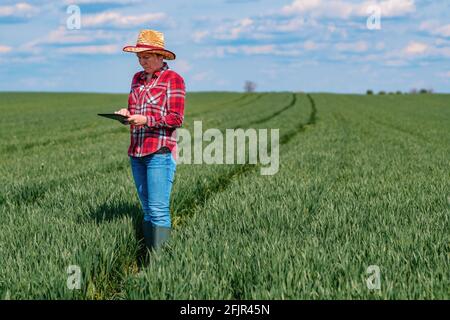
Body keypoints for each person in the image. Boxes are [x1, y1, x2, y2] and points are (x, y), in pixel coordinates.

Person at [115, 29, 185, 252]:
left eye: (146, 57)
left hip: (159, 151)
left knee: (158, 210)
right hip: (136, 151)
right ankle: (146, 257)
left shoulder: (173, 80)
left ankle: (159, 265)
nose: (141, 61)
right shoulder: (137, 78)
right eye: (139, 57)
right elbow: (135, 109)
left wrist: (146, 120)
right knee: (146, 210)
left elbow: (176, 118)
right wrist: (127, 113)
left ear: (159, 56)